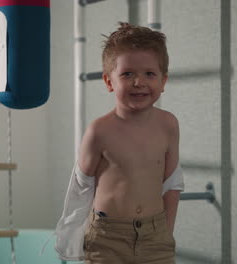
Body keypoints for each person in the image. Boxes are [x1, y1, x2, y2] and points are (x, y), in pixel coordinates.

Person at [52, 22, 184, 264]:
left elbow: (172, 183)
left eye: (149, 74)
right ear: (109, 81)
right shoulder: (99, 131)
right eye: (127, 74)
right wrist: (71, 237)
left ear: (163, 81)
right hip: (107, 238)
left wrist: (166, 232)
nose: (139, 82)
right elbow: (80, 189)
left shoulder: (168, 125)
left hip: (155, 236)